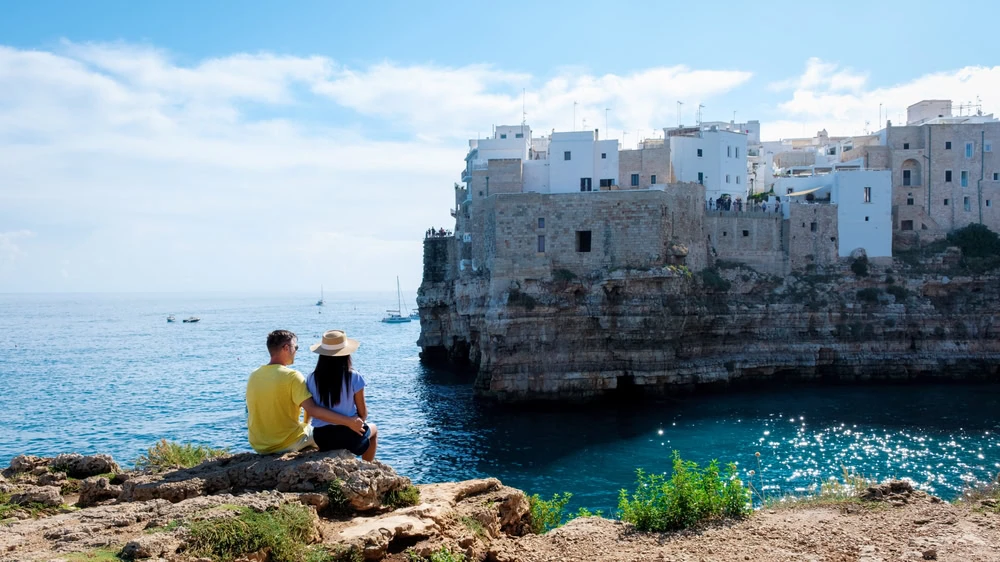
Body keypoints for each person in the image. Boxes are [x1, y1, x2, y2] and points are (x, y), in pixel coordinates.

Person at [246, 330, 365, 455]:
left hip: (258, 445)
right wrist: (349, 422)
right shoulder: (292, 376)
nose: (296, 351)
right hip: (284, 443)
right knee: (326, 437)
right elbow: (313, 410)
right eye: (295, 347)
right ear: (286, 348)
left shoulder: (254, 375)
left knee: (312, 429)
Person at [305, 330, 378, 461]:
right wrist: (354, 421)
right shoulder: (354, 376)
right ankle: (367, 467)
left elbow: (312, 409)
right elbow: (363, 414)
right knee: (374, 429)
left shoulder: (311, 377)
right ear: (346, 353)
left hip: (322, 438)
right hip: (349, 437)